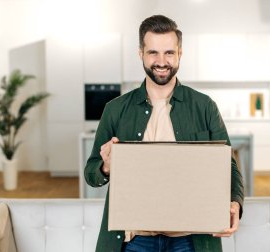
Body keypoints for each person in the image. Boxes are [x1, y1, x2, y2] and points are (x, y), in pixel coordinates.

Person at [85, 14, 244, 252]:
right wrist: (106, 166)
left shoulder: (204, 106)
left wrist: (234, 202)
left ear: (180, 53)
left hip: (190, 238)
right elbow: (91, 173)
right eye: (153, 53)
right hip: (134, 239)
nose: (161, 61)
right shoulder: (115, 109)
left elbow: (228, 164)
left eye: (169, 52)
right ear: (141, 53)